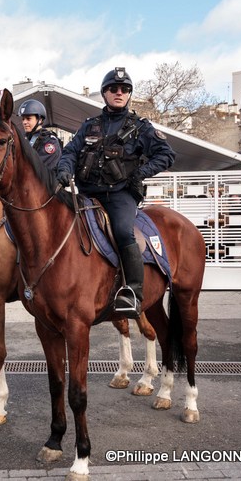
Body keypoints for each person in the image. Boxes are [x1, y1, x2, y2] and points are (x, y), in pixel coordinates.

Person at [56, 67, 175, 317]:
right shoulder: (90, 126)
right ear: (104, 93)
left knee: (122, 231)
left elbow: (166, 155)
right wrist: (64, 171)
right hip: (87, 194)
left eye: (125, 89)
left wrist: (140, 173)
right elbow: (69, 152)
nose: (119, 92)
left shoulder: (140, 127)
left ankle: (133, 293)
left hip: (120, 195)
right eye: (114, 89)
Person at [18, 99, 61, 170]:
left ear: (40, 120)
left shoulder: (49, 141)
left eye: (28, 119)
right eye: (23, 119)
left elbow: (39, 168)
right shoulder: (23, 138)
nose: (24, 122)